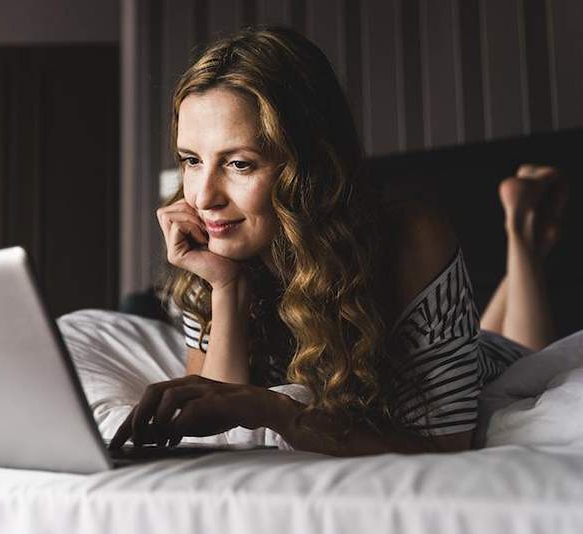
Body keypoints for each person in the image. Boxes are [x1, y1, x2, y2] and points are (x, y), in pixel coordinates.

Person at [108, 27, 568, 456]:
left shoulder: (408, 236)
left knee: (518, 349)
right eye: (191, 160)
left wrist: (270, 409)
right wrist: (226, 289)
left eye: (240, 164)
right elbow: (216, 419)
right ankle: (523, 240)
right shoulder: (210, 248)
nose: (204, 197)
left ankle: (522, 236)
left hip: (486, 362)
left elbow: (446, 445)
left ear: (308, 166)